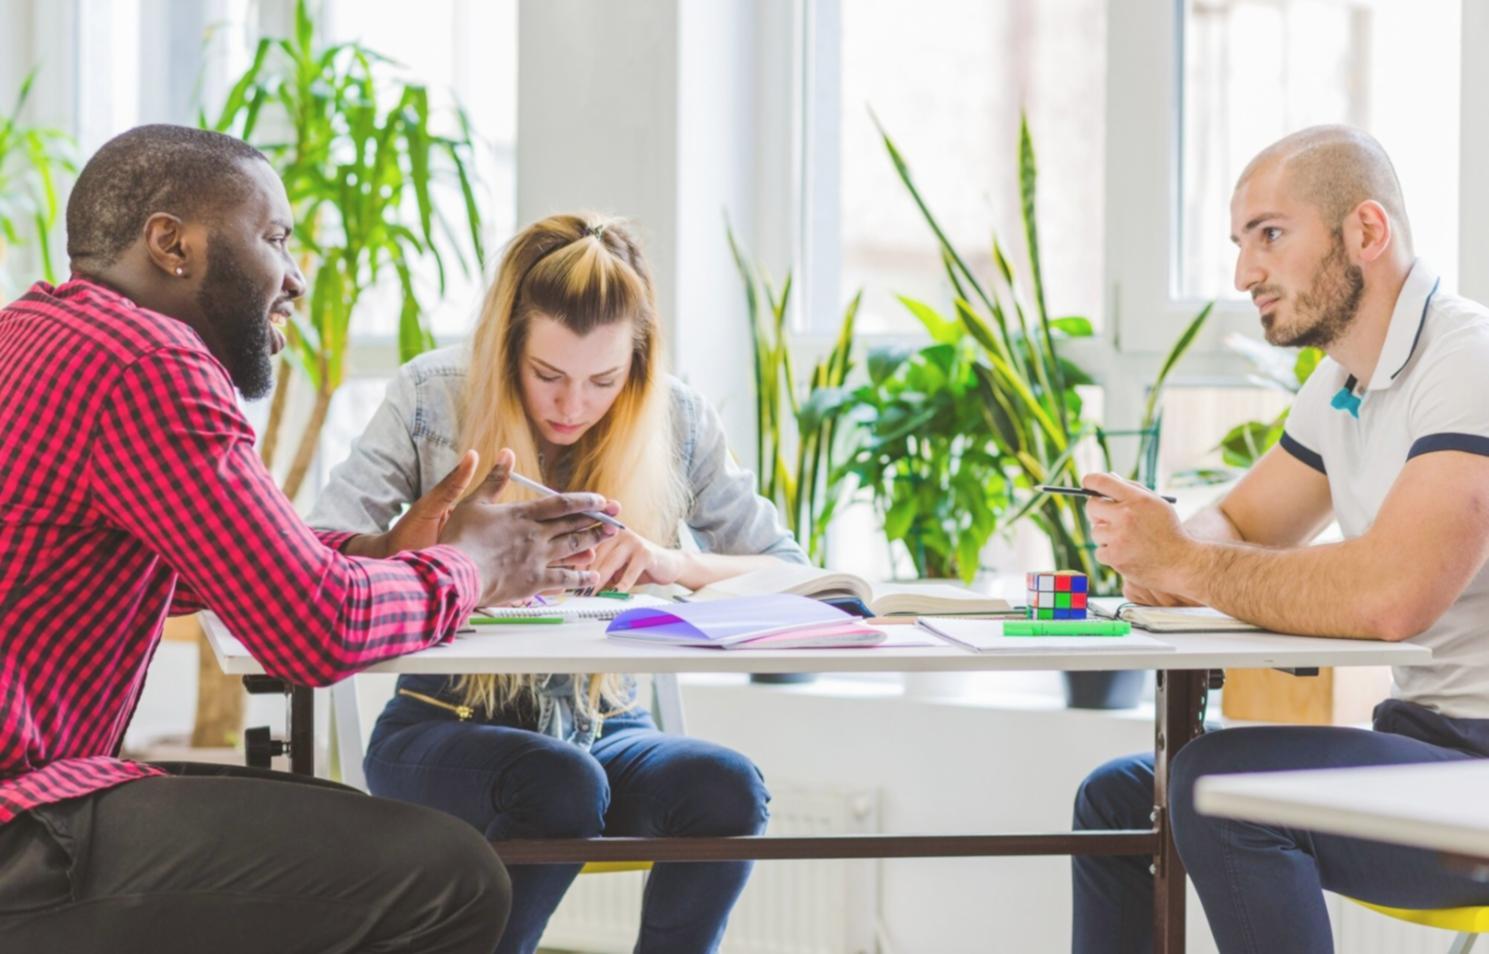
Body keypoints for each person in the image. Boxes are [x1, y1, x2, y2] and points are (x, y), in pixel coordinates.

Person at [0, 124, 623, 952]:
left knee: (338, 832)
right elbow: (314, 630)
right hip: (24, 824)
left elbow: (214, 569)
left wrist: (377, 555)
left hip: (38, 802)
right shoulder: (149, 363)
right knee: (449, 875)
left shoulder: (38, 334)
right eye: (273, 237)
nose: (293, 277)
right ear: (171, 244)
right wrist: (474, 565)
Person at [309, 212, 801, 954]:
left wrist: (671, 564)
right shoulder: (430, 396)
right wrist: (439, 548)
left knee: (723, 787)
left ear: (635, 363)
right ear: (507, 347)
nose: (572, 406)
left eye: (603, 380)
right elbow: (318, 550)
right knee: (558, 784)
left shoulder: (678, 417)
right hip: (447, 730)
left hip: (611, 728)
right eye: (548, 376)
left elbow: (792, 574)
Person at [1070, 125, 1489, 954]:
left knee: (1217, 787)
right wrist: (1164, 550)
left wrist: (1188, 563)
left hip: (1473, 775)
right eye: (1238, 243)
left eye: (1269, 234)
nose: (1243, 273)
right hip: (1423, 746)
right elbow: (1238, 525)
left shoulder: (1466, 363)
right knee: (1122, 798)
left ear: (1365, 232)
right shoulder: (1342, 387)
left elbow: (1391, 597)